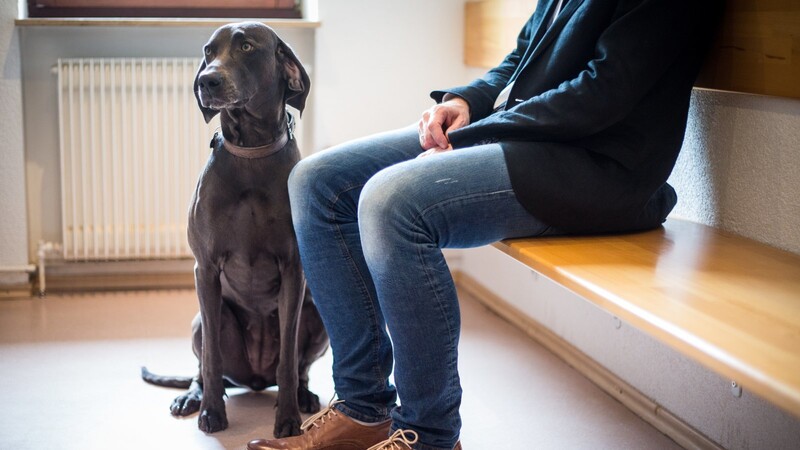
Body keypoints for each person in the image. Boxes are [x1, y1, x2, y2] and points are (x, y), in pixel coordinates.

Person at [247, 0, 723, 449]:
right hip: (533, 138)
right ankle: (364, 409)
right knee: (315, 182)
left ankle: (428, 433)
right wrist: (466, 104)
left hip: (599, 164)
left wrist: (480, 133)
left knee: (391, 203)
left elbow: (605, 92)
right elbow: (523, 57)